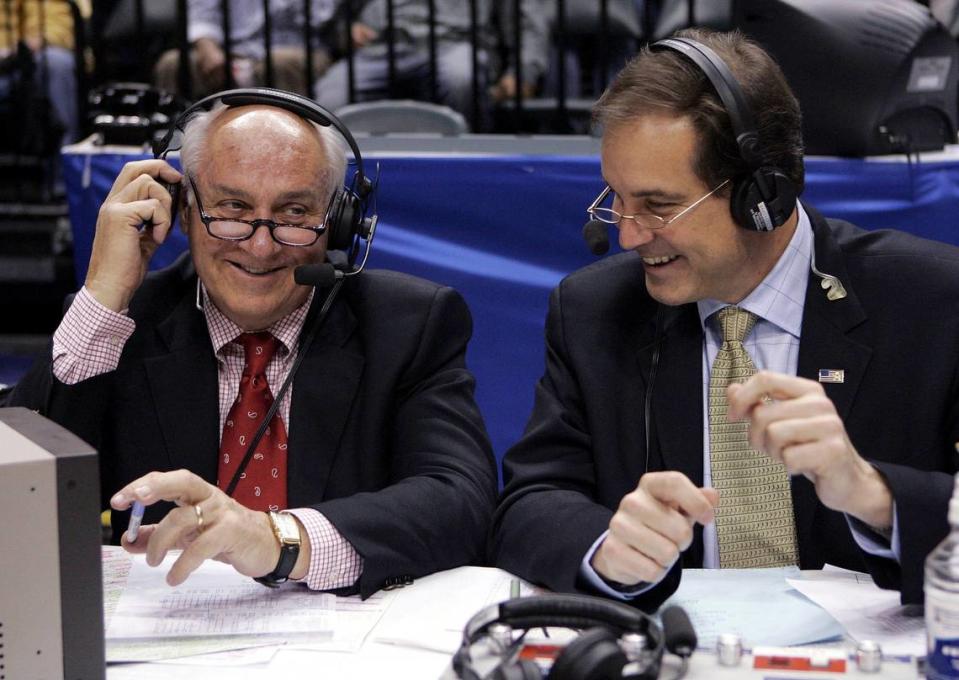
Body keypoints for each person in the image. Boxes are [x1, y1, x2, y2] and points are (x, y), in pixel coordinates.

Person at [489, 28, 959, 609]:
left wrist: (875, 496)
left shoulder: (931, 301)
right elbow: (529, 501)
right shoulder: (594, 311)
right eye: (616, 198)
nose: (627, 235)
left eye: (658, 205)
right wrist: (606, 547)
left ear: (762, 194)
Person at [7, 90, 497, 595]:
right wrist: (104, 294)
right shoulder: (120, 324)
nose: (260, 246)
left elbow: (461, 501)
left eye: (293, 212)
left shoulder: (408, 325)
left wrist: (277, 539)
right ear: (182, 209)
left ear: (339, 221)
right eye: (233, 207)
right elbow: (19, 495)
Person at [314, 0, 549, 128]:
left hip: (457, 42)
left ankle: (468, 164)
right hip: (382, 45)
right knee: (331, 96)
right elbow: (337, 15)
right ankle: (341, 186)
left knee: (460, 76)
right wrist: (347, 29)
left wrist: (525, 70)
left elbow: (526, 18)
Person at [154, 0, 337, 98]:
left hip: (297, 47)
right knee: (173, 64)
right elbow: (201, 14)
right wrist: (208, 49)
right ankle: (173, 142)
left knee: (279, 63)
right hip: (231, 48)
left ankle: (295, 138)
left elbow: (321, 16)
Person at [0, 0, 90, 146]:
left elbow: (59, 28)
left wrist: (21, 49)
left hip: (27, 63)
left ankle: (66, 157)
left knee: (57, 62)